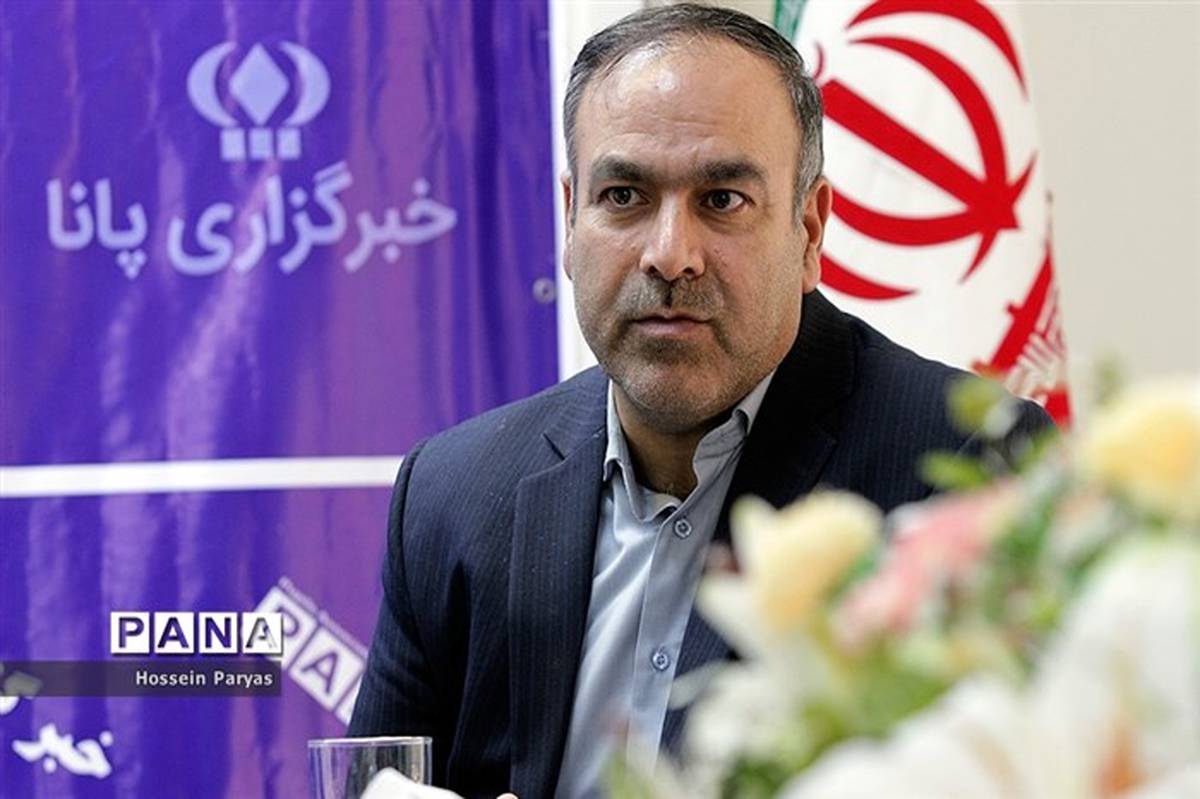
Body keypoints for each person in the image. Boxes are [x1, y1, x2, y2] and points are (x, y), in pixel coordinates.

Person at [348, 5, 1052, 799]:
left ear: (809, 229)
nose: (669, 253)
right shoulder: (452, 493)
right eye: (624, 195)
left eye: (722, 199)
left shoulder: (967, 470)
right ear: (570, 221)